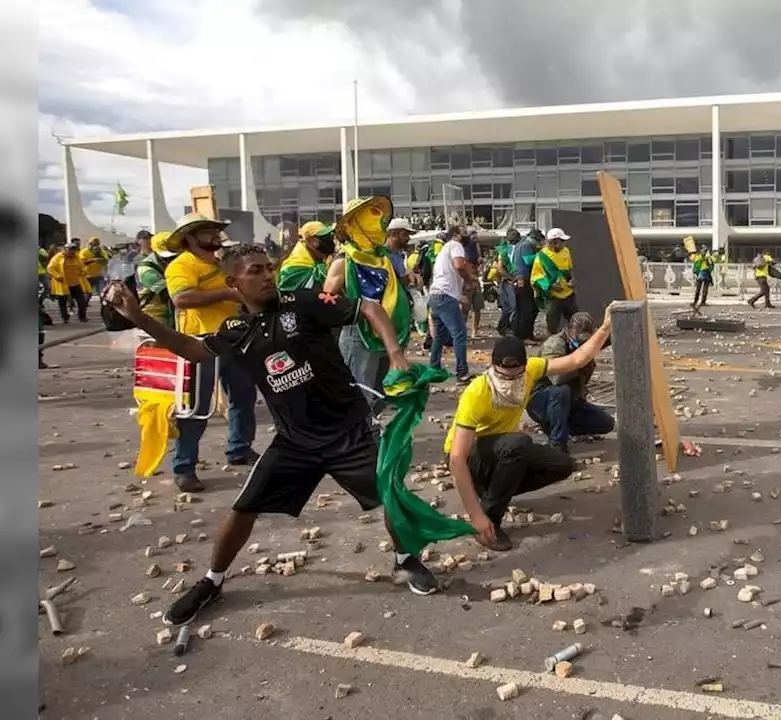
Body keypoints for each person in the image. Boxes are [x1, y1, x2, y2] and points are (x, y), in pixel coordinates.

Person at [104, 244, 441, 627]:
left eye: (268, 268)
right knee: (242, 509)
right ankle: (212, 582)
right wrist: (135, 316)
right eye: (255, 271)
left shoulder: (305, 301)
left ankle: (405, 560)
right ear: (233, 283)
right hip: (295, 441)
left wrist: (395, 352)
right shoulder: (235, 329)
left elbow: (368, 307)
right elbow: (189, 348)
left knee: (391, 497)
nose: (267, 276)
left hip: (350, 431)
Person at [446, 313, 614, 551]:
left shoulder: (532, 371)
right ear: (493, 367)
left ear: (525, 367)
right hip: (471, 458)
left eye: (516, 374)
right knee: (519, 443)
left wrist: (606, 326)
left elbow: (578, 359)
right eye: (503, 374)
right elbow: (456, 458)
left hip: (502, 450)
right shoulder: (477, 392)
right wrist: (476, 516)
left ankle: (493, 492)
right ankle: (490, 519)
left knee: (562, 464)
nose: (509, 380)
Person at [164, 213, 261, 491]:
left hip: (232, 337)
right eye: (208, 231)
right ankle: (184, 466)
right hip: (200, 342)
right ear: (191, 238)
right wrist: (226, 295)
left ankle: (239, 448)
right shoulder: (181, 265)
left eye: (215, 230)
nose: (215, 235)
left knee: (243, 394)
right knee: (196, 407)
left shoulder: (220, 264)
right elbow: (181, 298)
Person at [324, 196, 414, 418]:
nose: (378, 225)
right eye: (370, 219)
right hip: (358, 333)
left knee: (381, 391)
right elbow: (326, 299)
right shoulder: (344, 260)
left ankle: (367, 428)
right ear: (354, 225)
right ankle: (357, 438)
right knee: (358, 391)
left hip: (386, 333)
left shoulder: (382, 259)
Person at [526, 313, 615, 453]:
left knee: (605, 424)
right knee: (562, 391)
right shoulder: (555, 344)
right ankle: (557, 445)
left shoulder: (585, 343)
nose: (583, 343)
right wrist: (580, 360)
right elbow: (557, 379)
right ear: (570, 331)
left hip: (570, 401)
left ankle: (560, 425)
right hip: (542, 399)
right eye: (580, 339)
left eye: (587, 340)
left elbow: (606, 338)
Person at [426, 225, 473, 381]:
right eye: (465, 233)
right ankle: (462, 372)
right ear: (456, 235)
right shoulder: (455, 245)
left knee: (439, 336)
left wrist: (459, 296)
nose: (468, 236)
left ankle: (434, 368)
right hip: (445, 297)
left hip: (436, 295)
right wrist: (469, 280)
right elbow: (459, 266)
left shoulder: (444, 250)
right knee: (459, 334)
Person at [530, 227, 577, 335]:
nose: (564, 243)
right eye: (562, 241)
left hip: (568, 293)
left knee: (575, 319)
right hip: (553, 296)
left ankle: (576, 341)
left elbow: (569, 269)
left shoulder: (566, 251)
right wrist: (551, 286)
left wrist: (573, 280)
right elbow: (536, 278)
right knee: (552, 322)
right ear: (554, 242)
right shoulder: (542, 257)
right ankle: (552, 342)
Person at [135, 231, 178, 329]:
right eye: (166, 257)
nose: (171, 260)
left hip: (172, 312)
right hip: (155, 315)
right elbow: (168, 293)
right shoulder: (146, 269)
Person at [276, 221, 335, 292]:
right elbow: (309, 290)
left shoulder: (315, 257)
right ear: (311, 242)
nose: (331, 241)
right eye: (326, 238)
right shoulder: (295, 264)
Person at [510, 228, 542, 342]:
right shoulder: (526, 246)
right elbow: (528, 261)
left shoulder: (520, 245)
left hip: (520, 278)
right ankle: (524, 335)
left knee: (523, 308)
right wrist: (540, 253)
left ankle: (522, 334)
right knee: (528, 309)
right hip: (525, 279)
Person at [48, 244, 89, 323]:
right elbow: (50, 268)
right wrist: (57, 276)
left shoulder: (76, 257)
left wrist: (83, 272)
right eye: (70, 250)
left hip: (75, 282)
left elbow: (81, 267)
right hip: (63, 283)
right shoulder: (58, 257)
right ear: (65, 250)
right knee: (62, 302)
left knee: (81, 301)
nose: (72, 252)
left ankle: (82, 317)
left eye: (74, 250)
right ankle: (65, 317)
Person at [494, 229, 518, 335]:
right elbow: (500, 268)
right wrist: (511, 278)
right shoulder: (504, 251)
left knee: (509, 307)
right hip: (507, 282)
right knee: (510, 306)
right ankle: (504, 327)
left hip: (508, 281)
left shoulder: (511, 249)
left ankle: (503, 327)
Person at [689, 242, 715, 310]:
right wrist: (695, 273)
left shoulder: (708, 257)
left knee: (705, 289)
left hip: (706, 273)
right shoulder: (698, 257)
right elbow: (696, 265)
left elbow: (711, 264)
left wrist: (707, 259)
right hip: (700, 273)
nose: (704, 251)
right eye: (703, 250)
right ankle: (695, 301)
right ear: (701, 251)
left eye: (705, 250)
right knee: (698, 289)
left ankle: (703, 301)